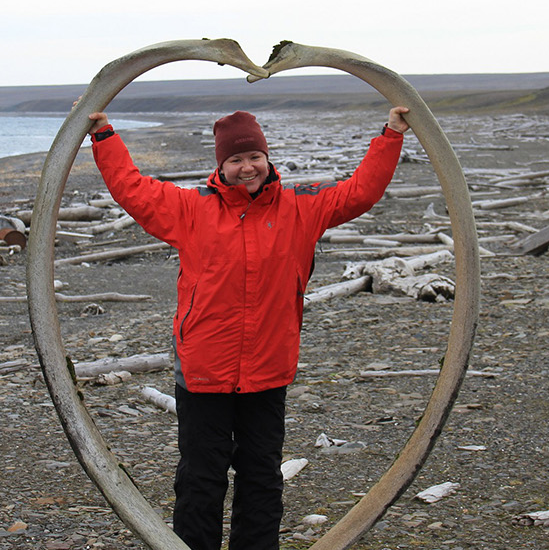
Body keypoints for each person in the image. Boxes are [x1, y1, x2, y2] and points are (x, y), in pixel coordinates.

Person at [85, 106, 410, 550]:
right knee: (201, 476)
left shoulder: (302, 206)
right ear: (220, 166)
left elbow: (362, 191)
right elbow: (133, 189)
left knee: (261, 473)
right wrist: (104, 136)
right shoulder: (190, 208)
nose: (246, 167)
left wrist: (391, 134)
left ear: (267, 158)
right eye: (235, 160)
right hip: (203, 370)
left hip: (268, 368)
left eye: (254, 156)